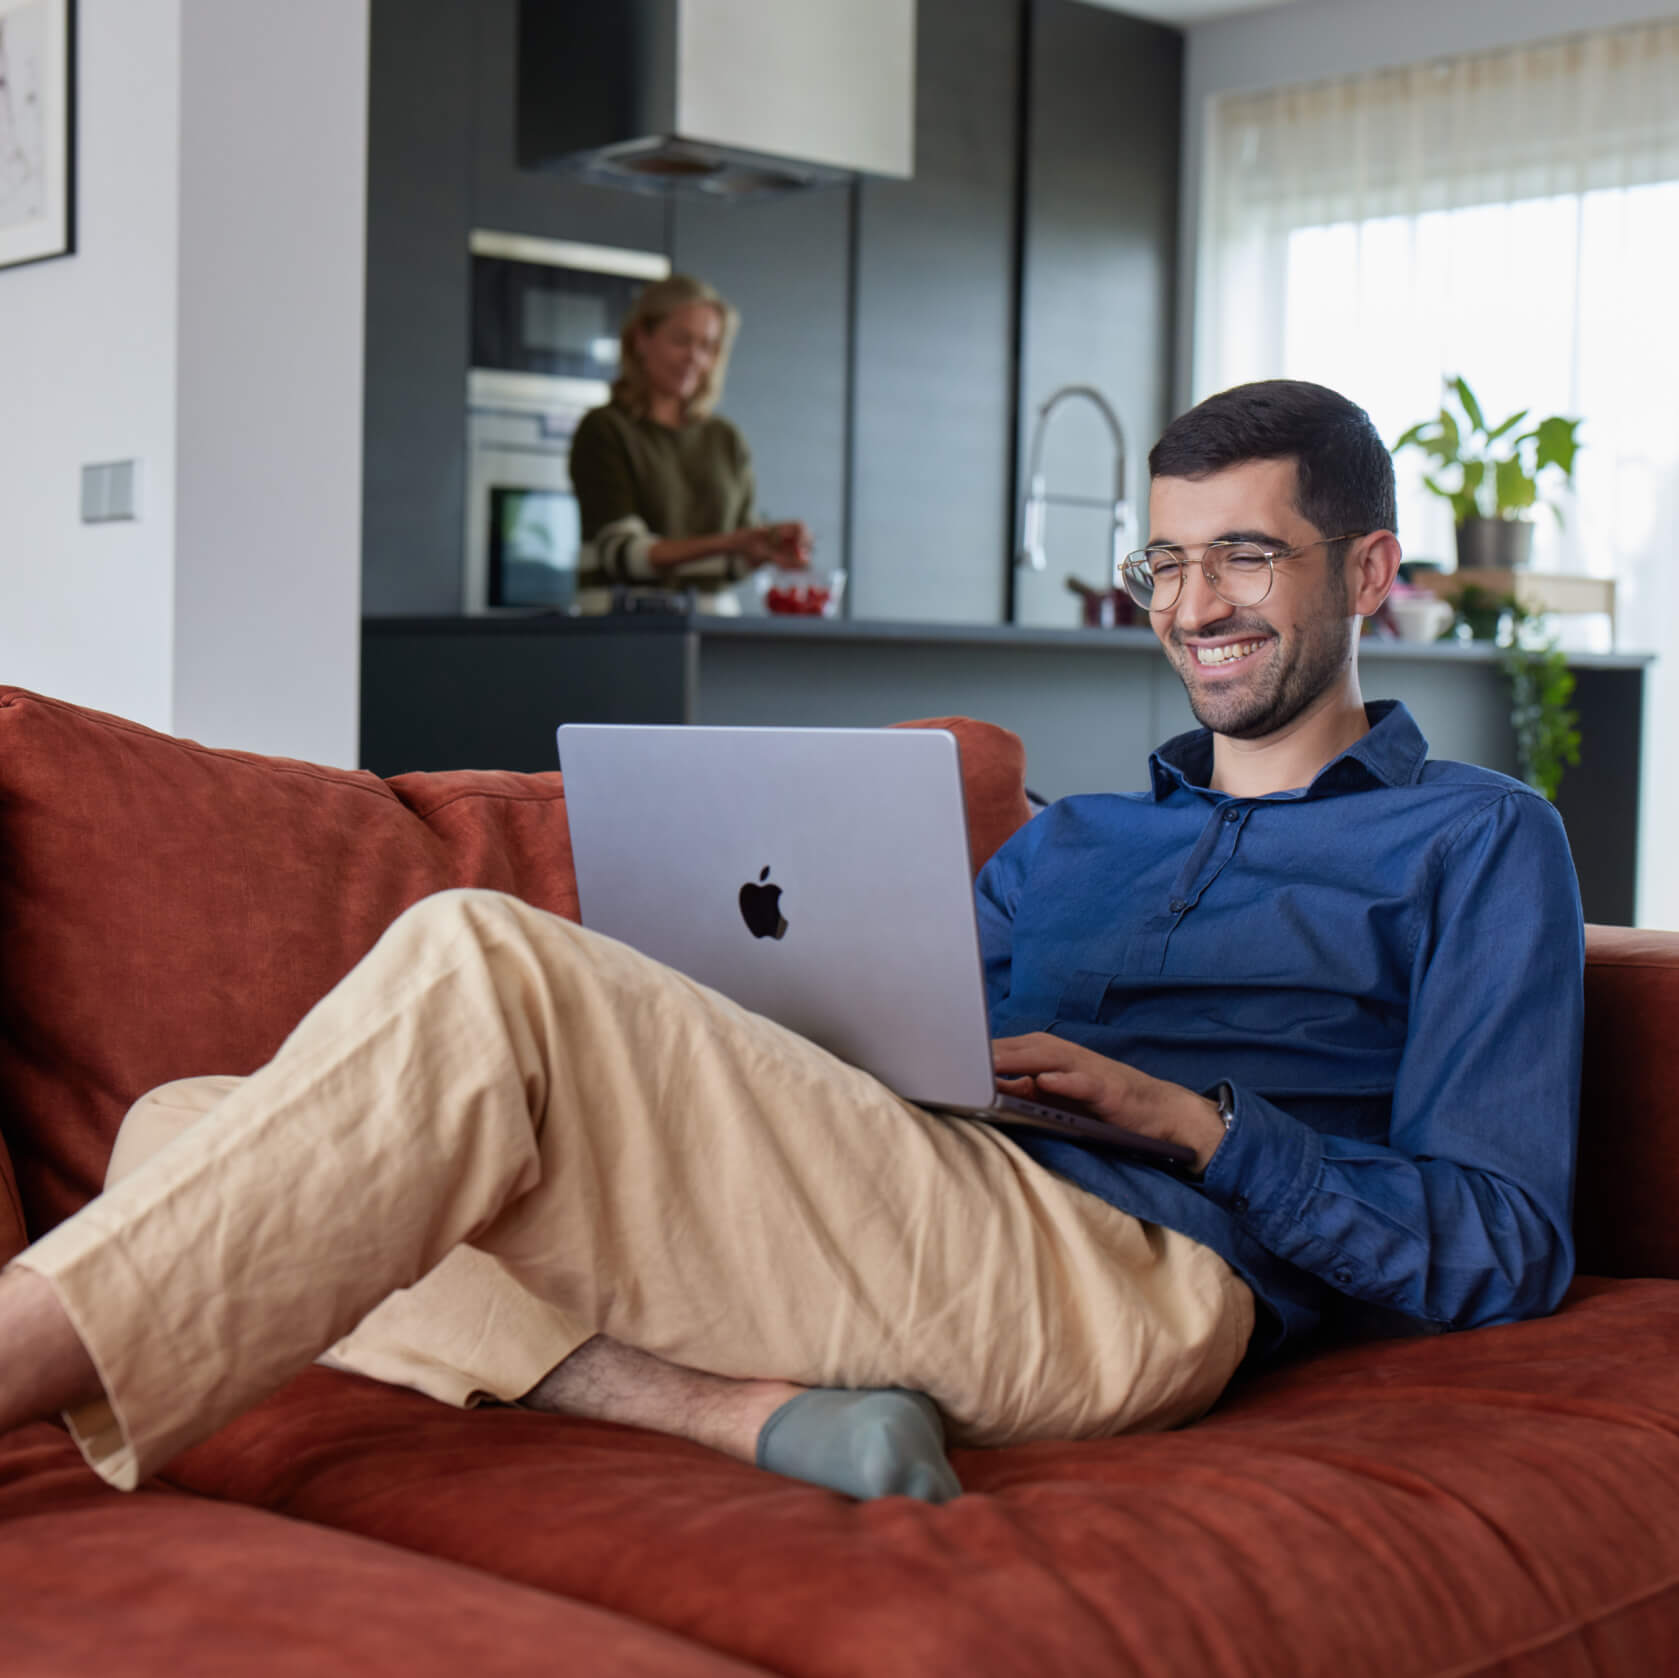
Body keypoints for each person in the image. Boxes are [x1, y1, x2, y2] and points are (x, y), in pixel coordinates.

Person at [0, 380, 1583, 1504]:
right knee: (179, 1125)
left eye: (1243, 554)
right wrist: (749, 1029)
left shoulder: (1475, 837)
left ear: (1365, 569)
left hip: (1145, 1279)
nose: (1193, 603)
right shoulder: (1078, 840)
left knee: (480, 953)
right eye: (1164, 561)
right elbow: (899, 1052)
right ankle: (733, 1411)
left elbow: (1502, 1242)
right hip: (916, 1206)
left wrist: (1198, 1124)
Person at [568, 273, 812, 613]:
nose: (694, 358)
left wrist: (763, 548)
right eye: (681, 340)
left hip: (713, 624)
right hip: (625, 624)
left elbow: (728, 562)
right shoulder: (605, 430)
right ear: (641, 338)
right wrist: (736, 541)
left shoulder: (725, 439)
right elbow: (626, 556)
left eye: (708, 346)